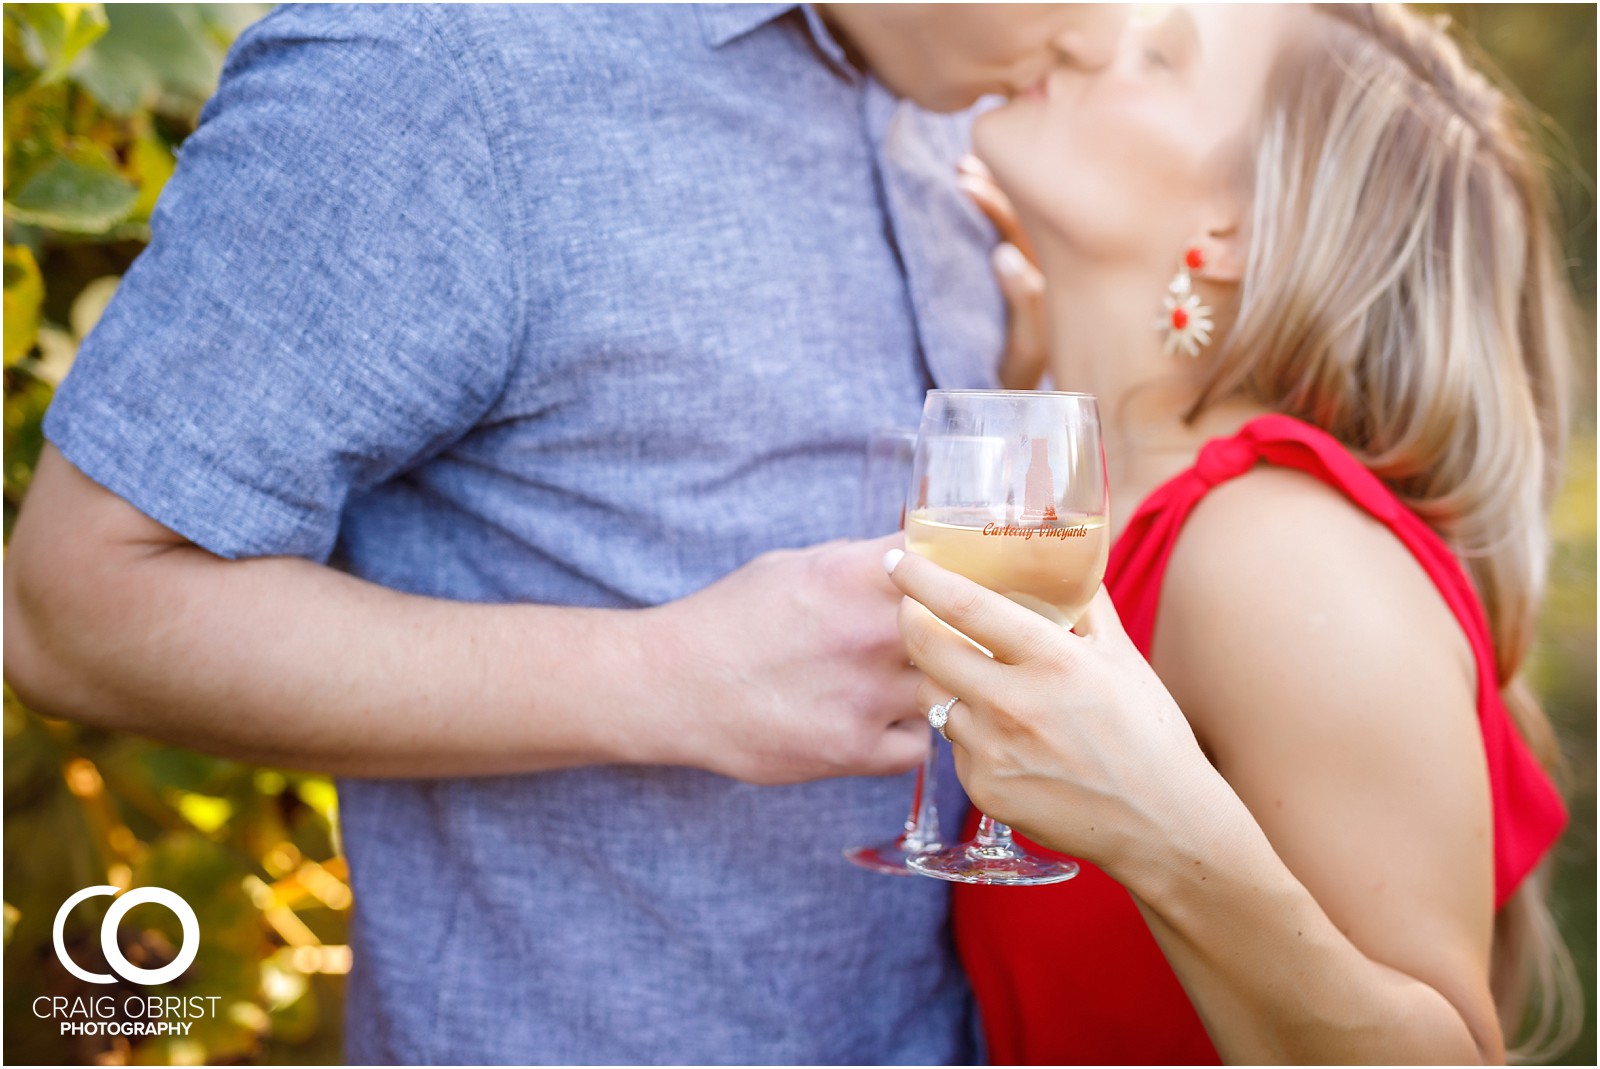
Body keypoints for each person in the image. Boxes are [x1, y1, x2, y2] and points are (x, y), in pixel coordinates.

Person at [2, 4, 1129, 1063]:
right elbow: (70, 606)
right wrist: (666, 677)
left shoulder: (963, 90)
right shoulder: (438, 67)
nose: (1107, 30)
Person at [885, 3, 1580, 1064]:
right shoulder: (1079, 516)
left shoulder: (1275, 547)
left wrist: (1158, 826)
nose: (1080, 34)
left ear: (1233, 228)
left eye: (1160, 55)